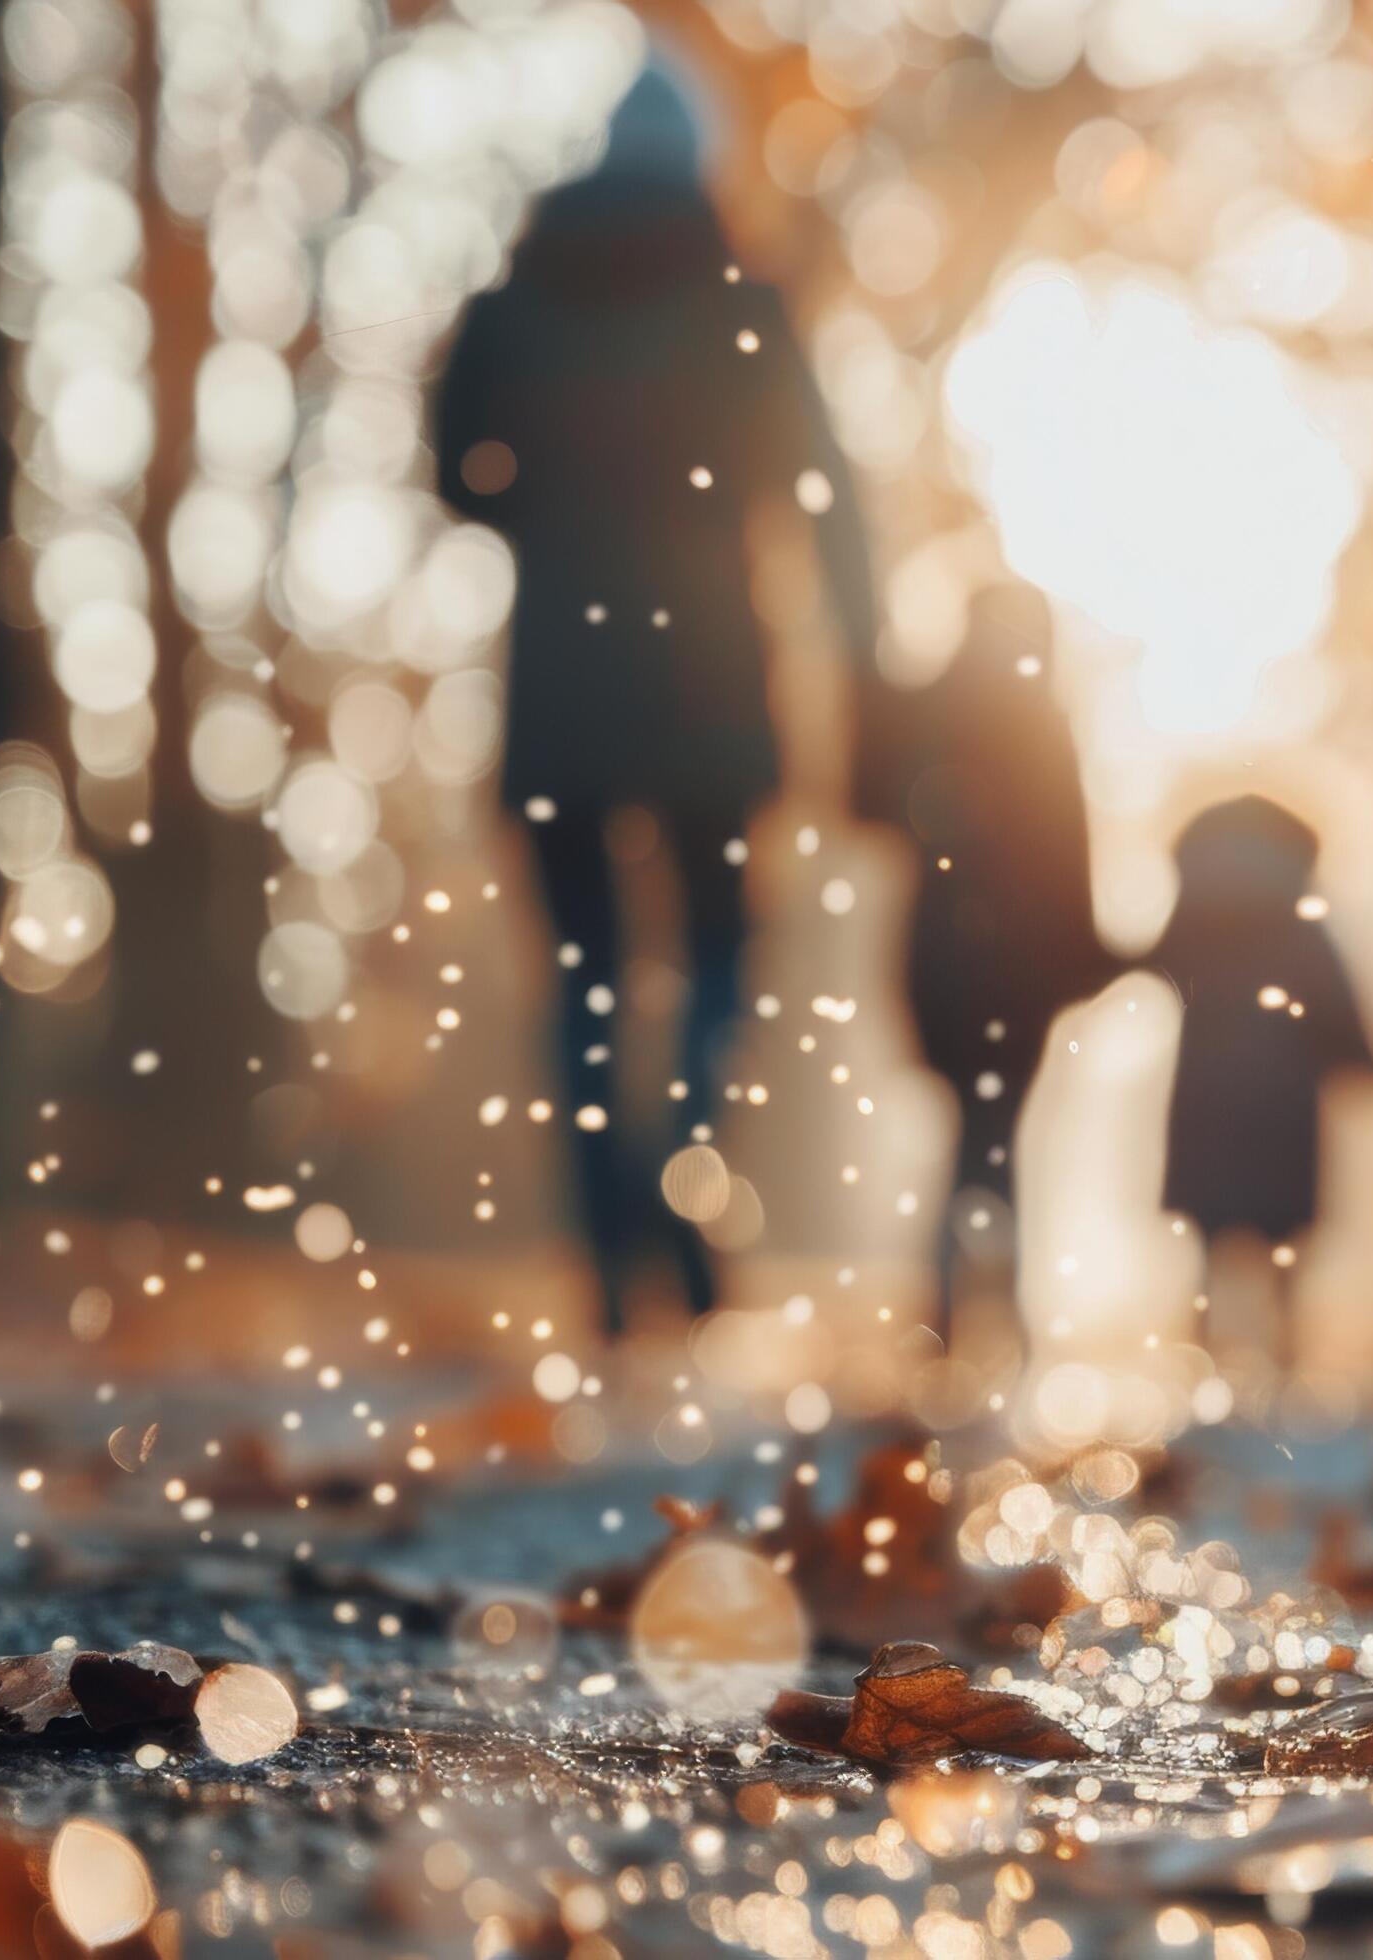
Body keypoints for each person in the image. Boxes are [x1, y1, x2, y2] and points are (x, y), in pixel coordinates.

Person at [432, 58, 878, 1336]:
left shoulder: (517, 293)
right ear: (701, 163)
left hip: (562, 678)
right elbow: (820, 487)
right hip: (713, 681)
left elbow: (458, 475)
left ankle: (608, 1239)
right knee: (723, 955)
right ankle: (680, 1153)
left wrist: (549, 498)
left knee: (583, 973)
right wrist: (868, 653)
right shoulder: (744, 295)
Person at [858, 582, 1112, 1337]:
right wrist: (1083, 958)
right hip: (1017, 972)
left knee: (973, 1126)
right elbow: (1068, 856)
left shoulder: (926, 711)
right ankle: (989, 1297)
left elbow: (875, 816)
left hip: (945, 967)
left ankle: (952, 1293)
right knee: (991, 1128)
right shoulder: (1035, 720)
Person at [1145, 795, 1373, 1369]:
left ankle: (1200, 1348)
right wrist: (1364, 1062)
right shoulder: (1298, 917)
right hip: (1283, 1101)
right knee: (1283, 1239)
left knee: (1210, 1236)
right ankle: (1282, 1351)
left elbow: (1161, 970)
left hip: (1209, 1097)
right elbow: (1333, 996)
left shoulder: (1194, 915)